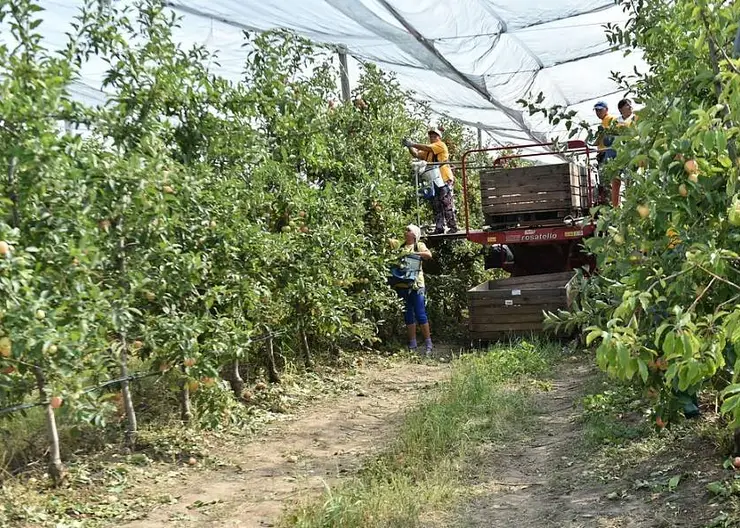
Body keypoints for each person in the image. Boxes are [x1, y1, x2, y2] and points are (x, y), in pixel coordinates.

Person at [403, 128, 458, 234]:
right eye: (431, 136)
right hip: (433, 180)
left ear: (439, 137)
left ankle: (453, 227)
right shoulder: (428, 152)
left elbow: (426, 147)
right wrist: (409, 146)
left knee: (446, 203)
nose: (432, 138)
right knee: (436, 204)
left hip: (444, 178)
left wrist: (413, 143)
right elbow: (416, 154)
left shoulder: (440, 145)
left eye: (435, 136)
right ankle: (439, 227)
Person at [396, 224, 434, 355]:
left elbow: (429, 255)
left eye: (408, 230)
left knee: (420, 313)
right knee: (407, 314)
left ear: (414, 234)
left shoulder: (419, 245)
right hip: (402, 284)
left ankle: (428, 342)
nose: (405, 232)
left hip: (417, 285)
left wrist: (414, 254)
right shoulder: (400, 247)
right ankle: (412, 343)